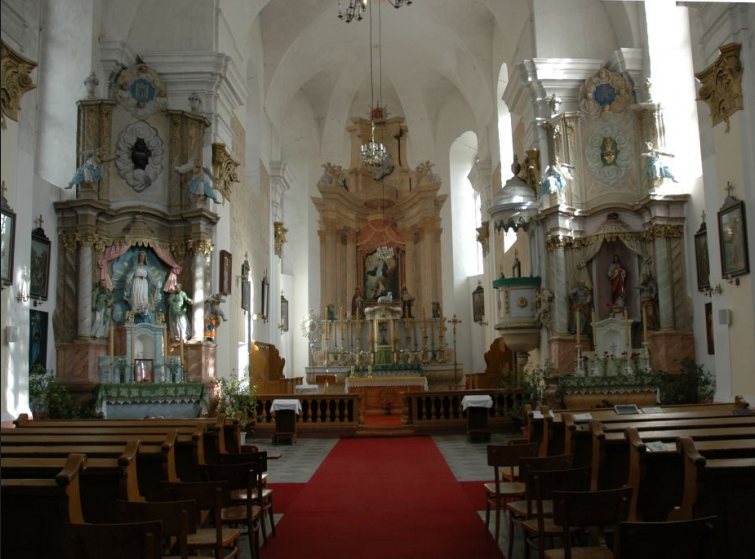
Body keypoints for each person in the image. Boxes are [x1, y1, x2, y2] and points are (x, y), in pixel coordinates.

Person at [125, 251, 156, 319]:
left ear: (145, 258)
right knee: (136, 295)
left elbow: (151, 277)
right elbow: (130, 275)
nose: (142, 257)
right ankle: (135, 311)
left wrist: (154, 283)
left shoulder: (146, 267)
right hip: (136, 282)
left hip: (144, 283)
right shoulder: (135, 266)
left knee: (144, 297)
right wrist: (127, 282)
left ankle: (144, 311)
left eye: (143, 256)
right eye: (140, 256)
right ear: (139, 257)